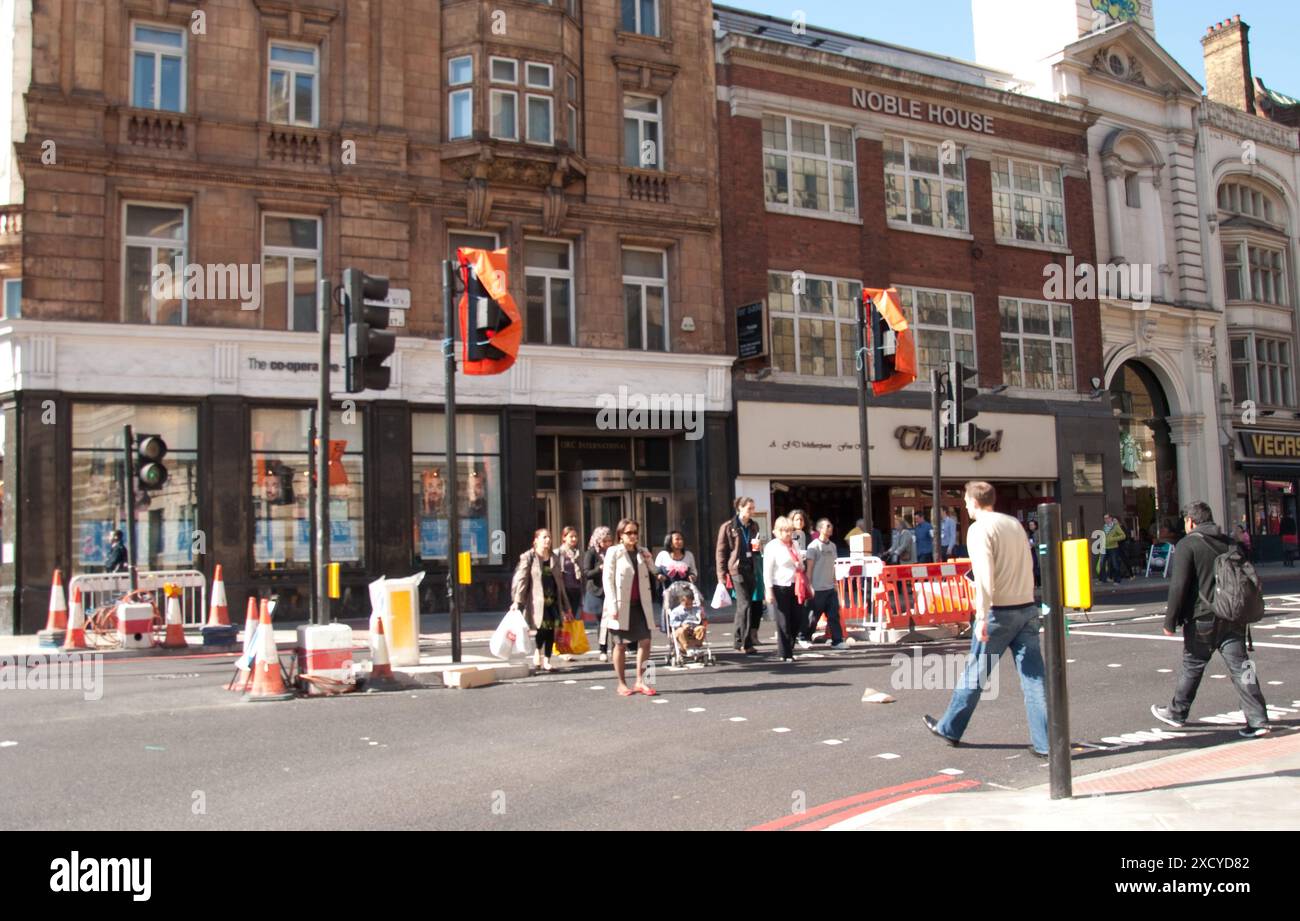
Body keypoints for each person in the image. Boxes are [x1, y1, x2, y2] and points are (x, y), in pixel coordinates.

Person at [923, 481, 1049, 758]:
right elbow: (1028, 564)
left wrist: (981, 615)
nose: (966, 506)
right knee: (1034, 678)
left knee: (975, 674)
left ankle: (949, 728)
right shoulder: (1014, 524)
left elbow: (984, 575)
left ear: (974, 502)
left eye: (966, 501)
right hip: (1027, 607)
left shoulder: (979, 528)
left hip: (998, 612)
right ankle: (1046, 743)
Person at [1151, 502, 1270, 738]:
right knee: (1241, 666)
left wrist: (1170, 621)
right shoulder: (1230, 543)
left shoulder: (1188, 544)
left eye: (1186, 521)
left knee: (1193, 664)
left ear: (1192, 522)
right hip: (1232, 615)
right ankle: (1258, 719)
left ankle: (1177, 712)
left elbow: (1179, 585)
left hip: (1202, 616)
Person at [603, 518, 658, 696]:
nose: (633, 536)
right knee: (620, 645)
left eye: (635, 532)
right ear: (620, 535)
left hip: (641, 605)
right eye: (629, 533)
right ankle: (621, 683)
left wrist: (650, 561)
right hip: (620, 605)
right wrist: (612, 606)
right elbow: (607, 579)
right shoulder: (613, 552)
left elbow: (654, 572)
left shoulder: (642, 551)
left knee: (646, 641)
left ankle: (641, 681)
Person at [510, 528, 573, 673]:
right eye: (544, 537)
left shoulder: (554, 557)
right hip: (537, 601)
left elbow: (560, 583)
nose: (548, 540)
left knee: (551, 629)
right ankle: (538, 651)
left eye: (549, 537)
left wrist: (566, 606)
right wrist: (517, 601)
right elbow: (522, 580)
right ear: (536, 540)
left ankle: (547, 660)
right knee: (542, 628)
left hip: (553, 600)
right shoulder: (528, 557)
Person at [717, 497, 762, 654]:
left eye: (753, 508)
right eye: (749, 508)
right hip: (736, 569)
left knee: (743, 606)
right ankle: (746, 642)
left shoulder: (754, 526)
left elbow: (756, 548)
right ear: (740, 508)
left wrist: (758, 548)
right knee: (745, 604)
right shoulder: (729, 527)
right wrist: (721, 574)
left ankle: (738, 640)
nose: (752, 511)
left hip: (751, 567)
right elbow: (721, 552)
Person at [763, 516, 805, 662]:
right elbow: (767, 570)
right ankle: (784, 653)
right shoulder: (772, 546)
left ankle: (790, 645)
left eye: (789, 531)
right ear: (777, 532)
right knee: (783, 620)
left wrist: (801, 565)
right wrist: (768, 590)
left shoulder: (794, 545)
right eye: (784, 531)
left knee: (797, 618)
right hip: (779, 585)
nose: (788, 534)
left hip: (795, 584)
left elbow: (800, 561)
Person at [802, 518, 845, 649]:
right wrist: (809, 586)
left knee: (833, 615)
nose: (830, 528)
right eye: (827, 526)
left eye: (831, 526)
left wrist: (835, 583)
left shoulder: (833, 546)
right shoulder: (813, 546)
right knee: (813, 616)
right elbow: (809, 568)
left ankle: (837, 640)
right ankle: (804, 637)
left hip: (830, 587)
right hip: (817, 587)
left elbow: (833, 566)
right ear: (820, 529)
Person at [582, 527, 613, 662]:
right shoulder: (591, 553)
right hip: (597, 591)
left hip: (611, 590)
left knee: (614, 621)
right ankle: (603, 649)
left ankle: (618, 647)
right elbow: (586, 573)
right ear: (598, 540)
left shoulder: (613, 552)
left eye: (609, 540)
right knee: (602, 622)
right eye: (604, 541)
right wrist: (599, 569)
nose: (608, 544)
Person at [557, 526, 584, 648]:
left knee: (572, 618)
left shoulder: (578, 553)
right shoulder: (559, 553)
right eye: (571, 536)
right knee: (565, 618)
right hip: (564, 589)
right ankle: (562, 646)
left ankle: (569, 645)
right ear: (564, 537)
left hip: (576, 589)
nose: (574, 539)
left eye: (575, 536)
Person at [655, 530, 698, 607]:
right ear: (670, 542)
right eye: (677, 539)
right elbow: (655, 571)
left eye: (681, 539)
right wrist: (659, 576)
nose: (680, 541)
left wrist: (692, 576)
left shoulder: (689, 555)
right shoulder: (662, 555)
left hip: (685, 594)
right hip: (667, 593)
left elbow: (693, 570)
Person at [666, 582, 707, 656]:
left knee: (702, 628)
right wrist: (682, 624)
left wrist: (702, 617)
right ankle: (687, 648)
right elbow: (672, 622)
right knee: (681, 631)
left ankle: (696, 646)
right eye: (686, 604)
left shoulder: (696, 609)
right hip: (681, 630)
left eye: (690, 604)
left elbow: (702, 619)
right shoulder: (676, 611)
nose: (689, 606)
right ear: (681, 601)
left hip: (693, 629)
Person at [1099, 513, 1127, 584]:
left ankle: (1117, 580)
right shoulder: (1104, 527)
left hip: (1113, 548)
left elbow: (1123, 536)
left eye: (1107, 518)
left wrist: (1113, 539)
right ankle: (1103, 579)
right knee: (1102, 563)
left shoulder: (1116, 526)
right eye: (1104, 518)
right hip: (1104, 547)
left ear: (1111, 518)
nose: (1106, 520)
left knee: (1115, 564)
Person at [1026, 519, 1041, 588]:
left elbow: (1041, 543)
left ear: (1035, 525)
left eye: (1032, 525)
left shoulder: (1039, 533)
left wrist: (1033, 544)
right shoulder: (1028, 533)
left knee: (1038, 567)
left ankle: (1039, 583)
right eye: (1029, 525)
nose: (1030, 526)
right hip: (1031, 552)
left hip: (1037, 552)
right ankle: (1034, 584)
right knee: (1033, 568)